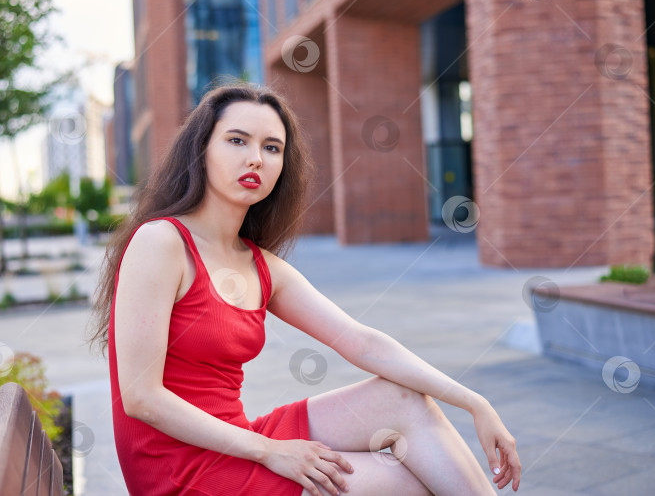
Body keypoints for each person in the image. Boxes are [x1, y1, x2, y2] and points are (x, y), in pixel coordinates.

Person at [88, 82, 521, 496]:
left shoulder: (261, 267)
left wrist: (475, 403)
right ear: (201, 151)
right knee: (411, 482)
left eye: (271, 148)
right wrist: (272, 451)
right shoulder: (161, 242)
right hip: (183, 470)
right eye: (237, 141)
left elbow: (362, 342)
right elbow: (140, 397)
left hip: (235, 440)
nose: (255, 158)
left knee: (403, 398)